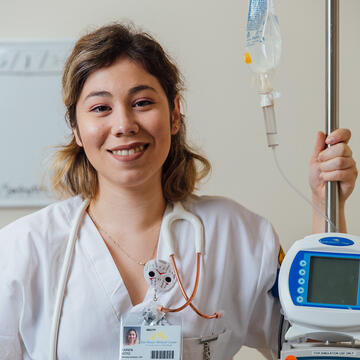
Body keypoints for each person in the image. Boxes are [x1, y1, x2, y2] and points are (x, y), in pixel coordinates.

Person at [0, 23, 357, 360]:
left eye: (142, 102)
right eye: (100, 108)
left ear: (174, 115)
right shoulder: (22, 250)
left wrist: (325, 205)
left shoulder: (238, 235)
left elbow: (315, 343)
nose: (124, 124)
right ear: (77, 129)